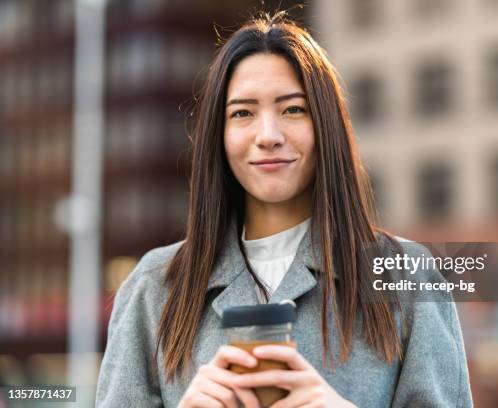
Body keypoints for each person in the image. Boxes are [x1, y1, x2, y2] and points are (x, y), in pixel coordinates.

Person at [96, 11, 473, 408]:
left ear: (324, 125)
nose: (268, 136)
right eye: (242, 113)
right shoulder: (155, 287)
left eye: (293, 109)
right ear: (218, 136)